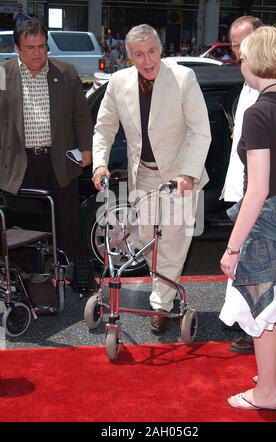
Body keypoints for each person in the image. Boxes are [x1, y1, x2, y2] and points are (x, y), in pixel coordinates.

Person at [92, 24, 211, 333]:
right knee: (147, 239)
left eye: (152, 52)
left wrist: (189, 172)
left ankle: (162, 305)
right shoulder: (118, 82)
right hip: (142, 173)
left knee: (171, 241)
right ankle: (163, 292)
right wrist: (99, 164)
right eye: (139, 54)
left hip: (180, 175)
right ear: (129, 55)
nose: (147, 61)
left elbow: (200, 130)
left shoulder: (183, 78)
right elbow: (104, 127)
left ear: (161, 49)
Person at [219, 25, 276, 411]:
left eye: (244, 56)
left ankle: (266, 393)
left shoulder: (258, 112)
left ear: (258, 62)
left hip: (272, 221)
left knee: (261, 307)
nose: (240, 62)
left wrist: (233, 248)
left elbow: (258, 189)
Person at [0, 18, 93, 261]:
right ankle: (29, 285)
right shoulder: (2, 74)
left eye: (41, 46)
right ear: (18, 49)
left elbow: (81, 116)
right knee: (23, 230)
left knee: (67, 224)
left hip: (59, 162)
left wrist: (85, 148)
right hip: (19, 165)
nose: (37, 53)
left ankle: (73, 276)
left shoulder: (66, 72)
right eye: (30, 47)